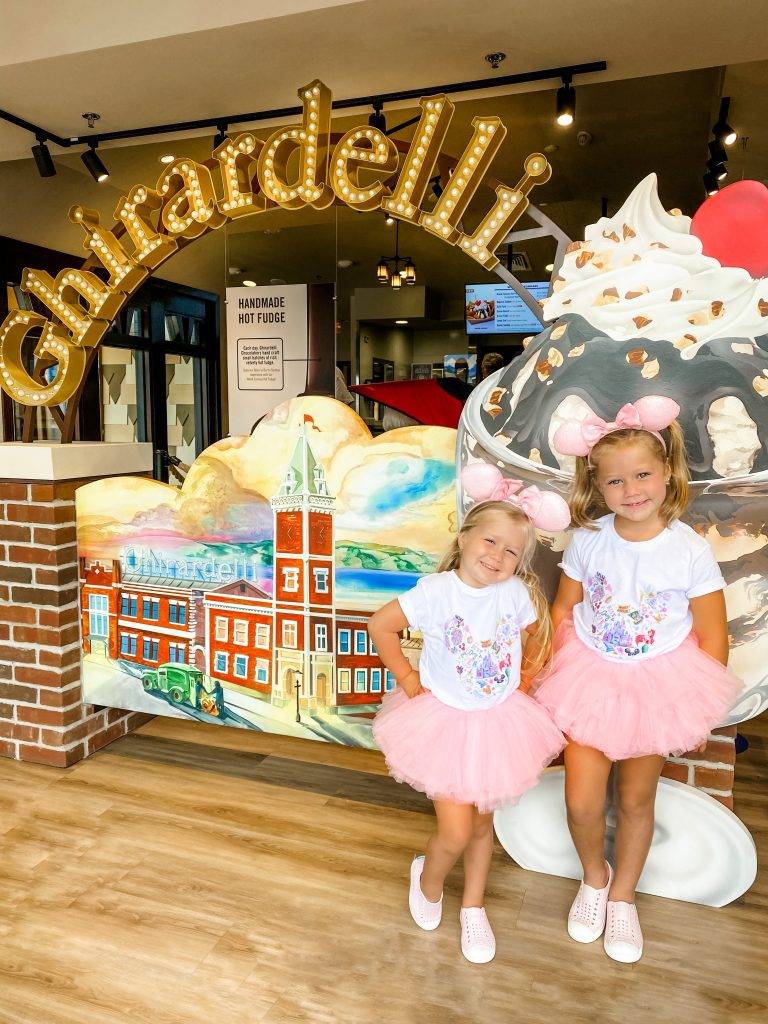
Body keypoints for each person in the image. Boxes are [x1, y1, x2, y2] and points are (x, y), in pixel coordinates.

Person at [533, 396, 742, 964]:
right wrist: (546, 669)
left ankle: (623, 897)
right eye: (616, 481)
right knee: (580, 801)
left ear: (667, 473)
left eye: (642, 475)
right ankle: (594, 879)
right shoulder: (591, 539)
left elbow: (713, 636)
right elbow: (563, 610)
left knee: (634, 798)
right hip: (591, 674)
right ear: (597, 487)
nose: (631, 490)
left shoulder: (689, 550)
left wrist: (697, 708)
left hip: (656, 683)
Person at [369, 464, 569, 964]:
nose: (497, 556)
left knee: (482, 827)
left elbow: (534, 636)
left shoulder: (517, 595)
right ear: (464, 538)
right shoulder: (436, 593)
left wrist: (521, 679)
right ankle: (429, 881)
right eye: (490, 541)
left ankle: (474, 907)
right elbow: (381, 626)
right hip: (445, 723)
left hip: (498, 721)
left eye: (511, 551)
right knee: (456, 830)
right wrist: (410, 681)